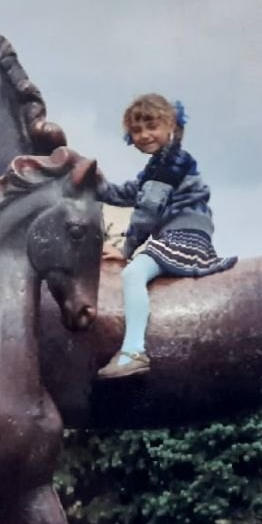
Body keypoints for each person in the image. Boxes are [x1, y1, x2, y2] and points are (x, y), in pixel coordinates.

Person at [95, 94, 237, 379]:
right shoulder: (159, 165)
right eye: (136, 131)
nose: (144, 135)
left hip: (184, 235)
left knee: (133, 275)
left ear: (170, 125)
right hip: (181, 232)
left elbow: (146, 212)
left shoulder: (170, 165)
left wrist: (126, 253)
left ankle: (133, 351)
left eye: (152, 126)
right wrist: (94, 182)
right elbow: (125, 194)